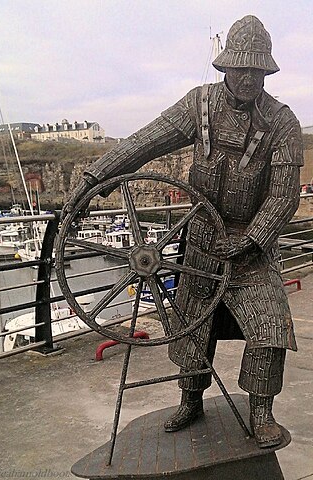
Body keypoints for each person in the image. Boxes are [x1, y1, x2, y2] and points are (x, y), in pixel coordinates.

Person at [63, 15, 303, 448]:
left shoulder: (283, 123)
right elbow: (145, 142)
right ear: (226, 66)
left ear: (267, 70)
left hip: (252, 249)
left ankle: (261, 412)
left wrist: (250, 239)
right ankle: (190, 400)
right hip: (201, 243)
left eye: (257, 70)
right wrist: (91, 179)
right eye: (240, 68)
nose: (248, 78)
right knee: (193, 327)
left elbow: (284, 197)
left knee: (270, 328)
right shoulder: (199, 105)